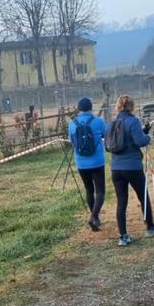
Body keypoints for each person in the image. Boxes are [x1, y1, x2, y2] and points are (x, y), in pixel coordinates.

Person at [108, 94, 154, 246]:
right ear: (131, 107)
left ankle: (123, 236)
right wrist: (147, 137)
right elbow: (140, 141)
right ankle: (150, 227)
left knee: (121, 201)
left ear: (118, 106)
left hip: (116, 168)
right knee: (142, 196)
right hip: (132, 166)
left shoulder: (112, 123)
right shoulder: (133, 121)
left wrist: (141, 132)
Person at [68, 96, 107, 231]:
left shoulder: (72, 123)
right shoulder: (98, 121)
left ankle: (95, 218)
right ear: (91, 107)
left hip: (81, 163)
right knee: (100, 191)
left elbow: (72, 141)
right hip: (97, 162)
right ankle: (94, 216)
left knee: (89, 190)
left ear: (79, 109)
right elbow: (105, 135)